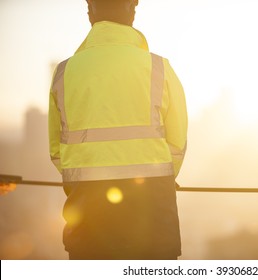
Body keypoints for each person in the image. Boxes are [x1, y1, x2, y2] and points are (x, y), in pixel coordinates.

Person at [48, 0, 187, 260]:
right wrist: (161, 175)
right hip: (152, 211)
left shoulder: (63, 72)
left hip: (87, 215)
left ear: (89, 12)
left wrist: (89, 170)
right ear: (132, 12)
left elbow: (57, 150)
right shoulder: (160, 68)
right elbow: (177, 144)